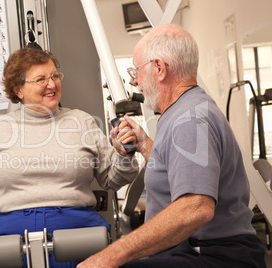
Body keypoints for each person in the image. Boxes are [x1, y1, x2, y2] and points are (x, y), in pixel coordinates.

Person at [0, 48, 139, 268]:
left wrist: (124, 154)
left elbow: (112, 179)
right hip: (10, 233)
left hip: (75, 229)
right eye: (41, 79)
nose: (52, 84)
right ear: (18, 90)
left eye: (54, 76)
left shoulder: (82, 122)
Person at [77, 24, 266, 268]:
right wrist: (145, 145)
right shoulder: (184, 110)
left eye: (137, 70)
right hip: (195, 252)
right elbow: (182, 167)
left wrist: (110, 256)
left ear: (159, 68)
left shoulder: (190, 119)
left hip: (209, 257)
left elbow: (195, 208)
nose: (135, 81)